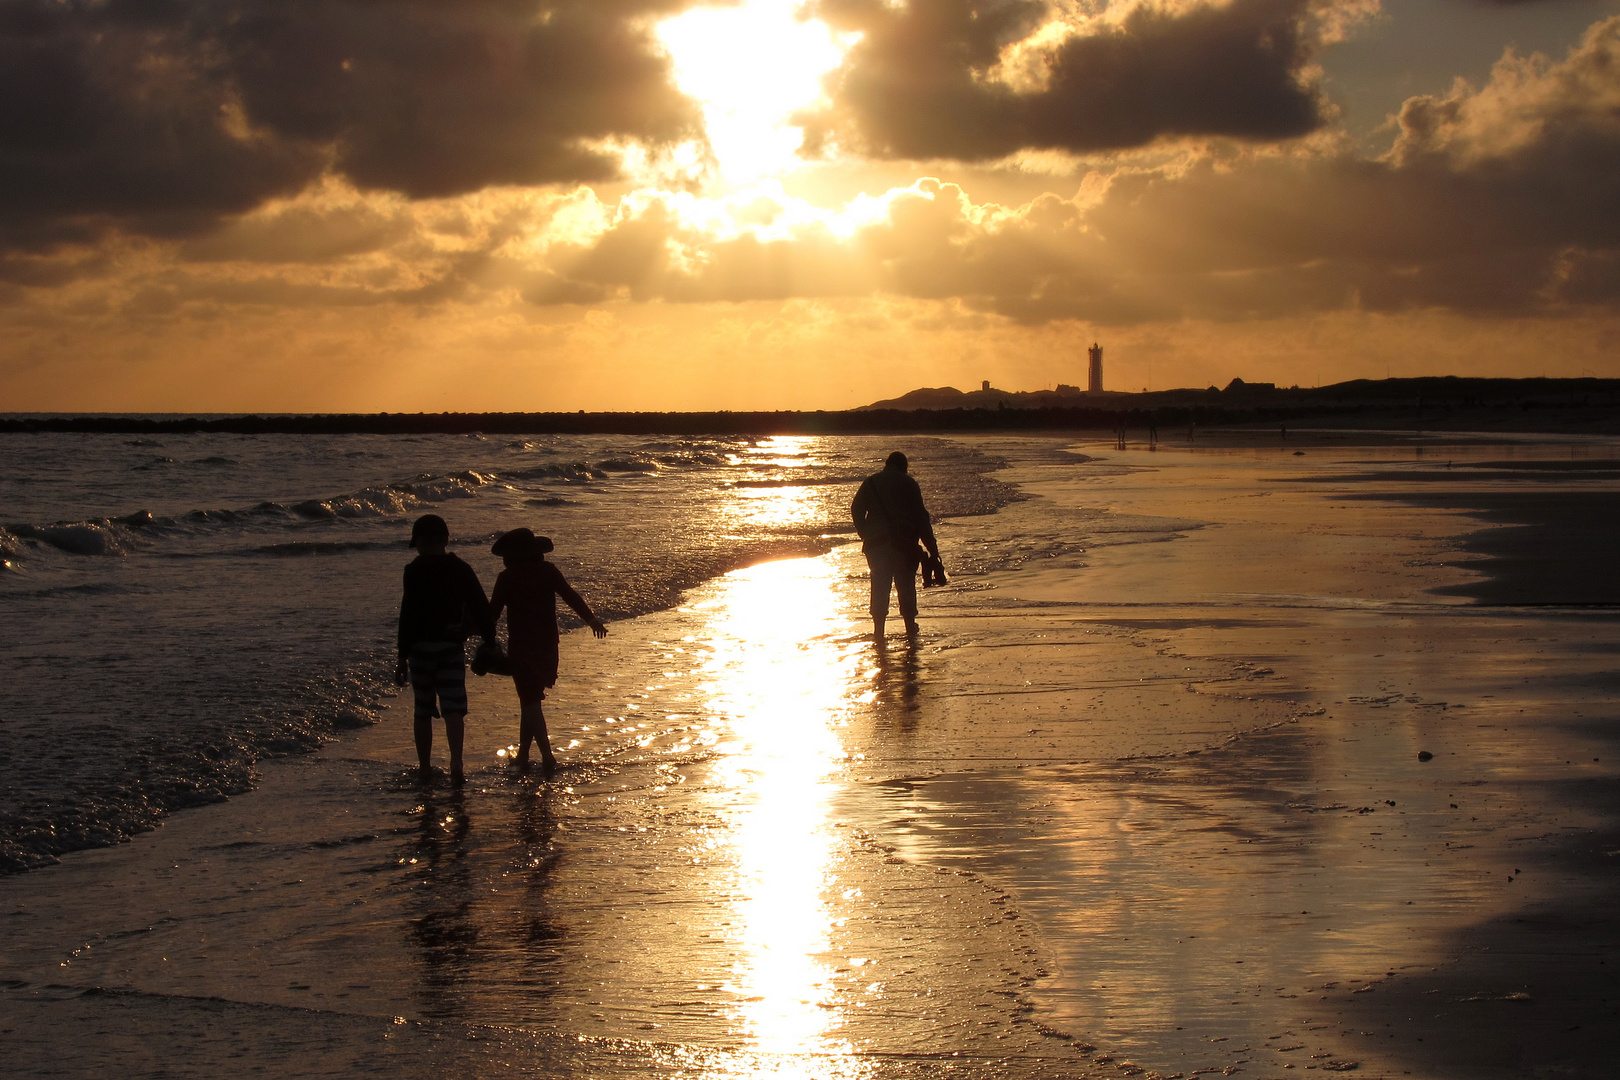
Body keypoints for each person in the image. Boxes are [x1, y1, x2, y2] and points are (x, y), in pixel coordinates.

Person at [488, 528, 608, 775]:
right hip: (548, 644)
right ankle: (523, 755)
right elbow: (570, 596)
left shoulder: (507, 577)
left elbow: (492, 614)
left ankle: (547, 757)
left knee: (530, 700)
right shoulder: (547, 571)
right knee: (530, 700)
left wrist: (471, 632)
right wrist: (591, 620)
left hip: (521, 646)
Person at [395, 514, 496, 785]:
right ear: (445, 540)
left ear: (418, 542)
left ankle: (425, 766)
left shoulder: (413, 570)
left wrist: (402, 656)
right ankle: (456, 763)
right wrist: (490, 639)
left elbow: (407, 615)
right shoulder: (460, 568)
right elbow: (479, 605)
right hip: (450, 646)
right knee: (453, 708)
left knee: (422, 708)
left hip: (419, 649)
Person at [851, 450, 940, 638]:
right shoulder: (909, 484)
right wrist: (932, 549)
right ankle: (909, 627)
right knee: (906, 585)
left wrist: (865, 533)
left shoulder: (871, 482)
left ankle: (879, 631)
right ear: (904, 467)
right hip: (904, 543)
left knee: (880, 584)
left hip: (875, 545)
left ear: (887, 464)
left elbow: (856, 508)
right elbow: (921, 519)